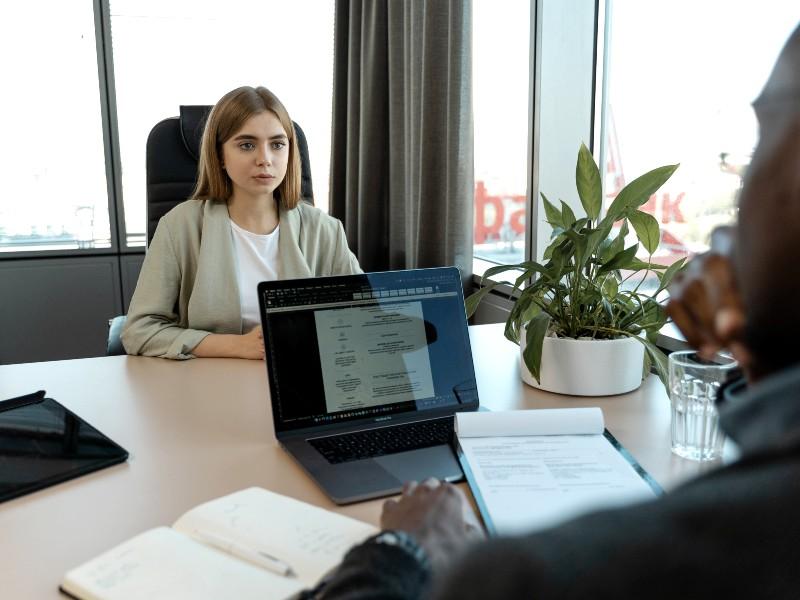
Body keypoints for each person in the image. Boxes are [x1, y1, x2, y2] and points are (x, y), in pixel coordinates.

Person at [305, 24, 800, 599]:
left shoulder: (536, 575)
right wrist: (762, 342)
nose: (733, 210)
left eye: (762, 141)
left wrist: (397, 550)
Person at [122, 86, 361, 360]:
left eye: (277, 144)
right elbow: (139, 330)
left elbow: (365, 315)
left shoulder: (325, 230)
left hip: (301, 379)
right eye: (247, 145)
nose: (265, 159)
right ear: (220, 155)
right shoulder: (180, 226)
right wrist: (238, 346)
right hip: (208, 382)